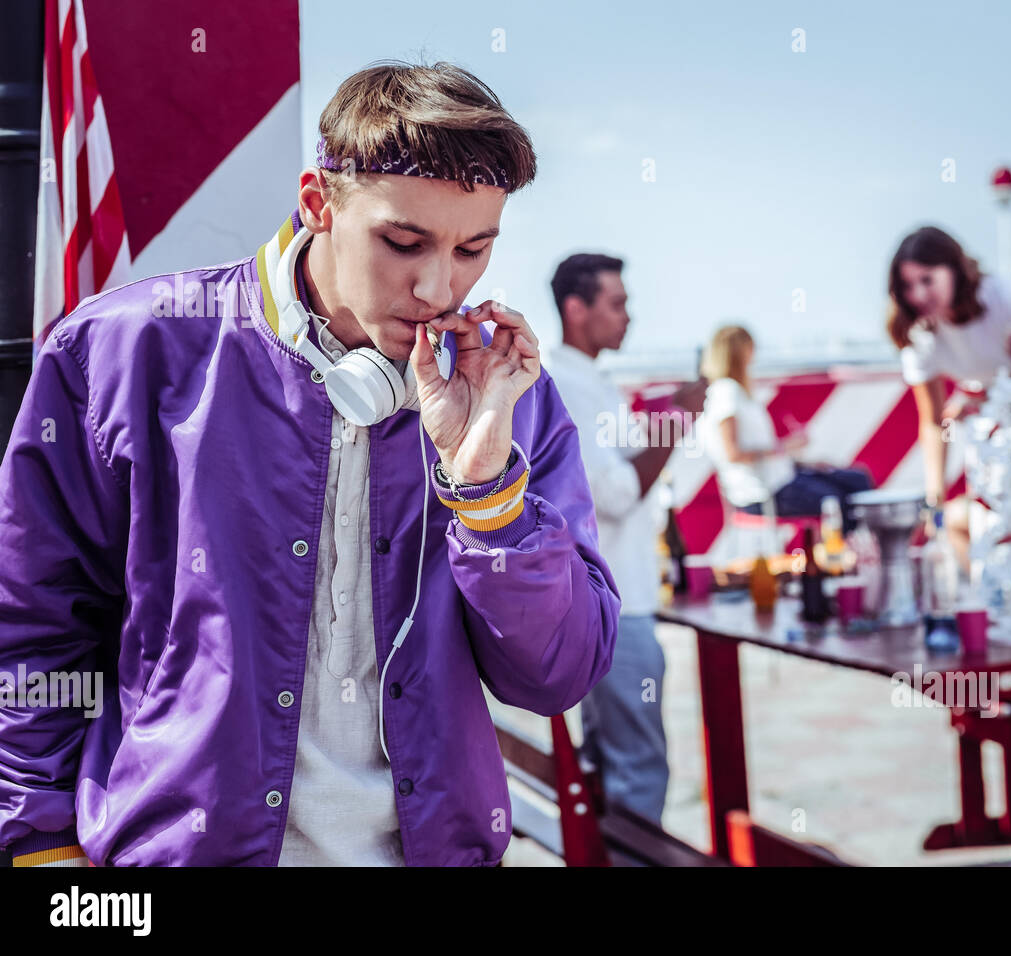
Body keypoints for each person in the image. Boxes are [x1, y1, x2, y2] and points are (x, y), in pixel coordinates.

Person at [0, 61, 619, 867]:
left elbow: (557, 675)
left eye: (473, 249)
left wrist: (489, 498)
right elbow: (31, 627)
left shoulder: (511, 397)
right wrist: (42, 848)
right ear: (319, 202)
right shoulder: (125, 352)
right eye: (404, 242)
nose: (438, 286)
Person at [544, 253, 706, 824]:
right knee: (638, 767)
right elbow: (613, 495)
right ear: (575, 308)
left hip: (600, 600)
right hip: (616, 602)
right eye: (617, 304)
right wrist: (675, 423)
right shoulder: (570, 385)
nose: (628, 317)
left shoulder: (584, 381)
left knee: (612, 763)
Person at [886, 226, 1011, 561]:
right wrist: (935, 498)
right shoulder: (920, 334)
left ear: (954, 269)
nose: (918, 294)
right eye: (907, 285)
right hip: (991, 436)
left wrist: (985, 399)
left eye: (927, 280)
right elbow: (933, 422)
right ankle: (990, 603)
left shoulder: (1000, 298)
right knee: (978, 526)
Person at [696, 324, 873, 526]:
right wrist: (787, 446)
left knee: (856, 480)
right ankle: (846, 552)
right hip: (764, 493)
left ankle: (850, 550)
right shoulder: (728, 393)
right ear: (740, 353)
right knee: (838, 501)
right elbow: (733, 454)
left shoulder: (729, 393)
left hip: (779, 480)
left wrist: (805, 463)